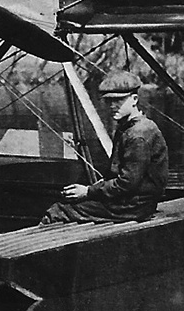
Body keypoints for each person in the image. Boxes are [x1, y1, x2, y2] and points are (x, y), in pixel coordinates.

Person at [41, 70, 168, 224]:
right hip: (135, 202)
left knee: (58, 210)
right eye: (108, 101)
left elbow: (127, 183)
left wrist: (88, 191)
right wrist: (94, 189)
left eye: (119, 100)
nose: (112, 106)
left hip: (133, 207)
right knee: (67, 202)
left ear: (134, 99)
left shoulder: (138, 135)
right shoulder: (131, 127)